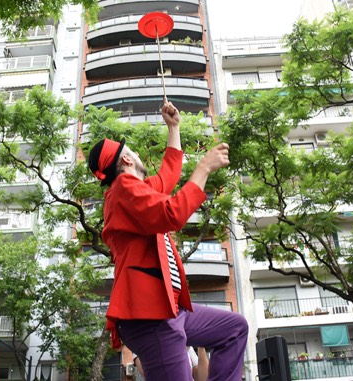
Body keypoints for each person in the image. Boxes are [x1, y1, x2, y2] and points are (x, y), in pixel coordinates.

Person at [87, 101, 248, 381]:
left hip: (170, 310)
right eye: (131, 150)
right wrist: (204, 167)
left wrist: (174, 128)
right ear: (126, 160)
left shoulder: (134, 192)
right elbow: (172, 213)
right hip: (151, 317)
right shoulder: (122, 189)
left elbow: (168, 176)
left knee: (235, 328)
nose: (135, 153)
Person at [133, 347, 209, 381]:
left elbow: (203, 379)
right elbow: (148, 373)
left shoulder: (186, 344)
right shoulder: (142, 343)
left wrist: (201, 346)